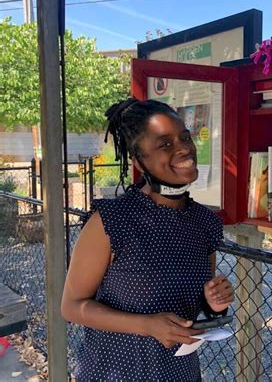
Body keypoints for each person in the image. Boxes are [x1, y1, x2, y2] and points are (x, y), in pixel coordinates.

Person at [61, 98, 234, 381]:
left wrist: (215, 303)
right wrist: (146, 325)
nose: (184, 148)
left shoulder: (205, 223)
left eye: (184, 137)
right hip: (112, 373)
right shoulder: (111, 220)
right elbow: (71, 306)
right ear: (139, 160)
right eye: (165, 144)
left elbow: (197, 305)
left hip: (180, 373)